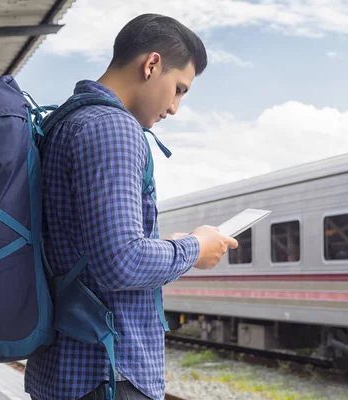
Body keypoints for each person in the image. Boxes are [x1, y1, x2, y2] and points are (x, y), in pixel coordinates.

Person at [25, 13, 238, 400]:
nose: (174, 108)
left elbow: (94, 250)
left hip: (67, 369)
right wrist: (194, 248)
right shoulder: (113, 128)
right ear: (151, 64)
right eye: (178, 89)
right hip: (107, 374)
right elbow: (119, 263)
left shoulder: (65, 121)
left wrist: (164, 245)